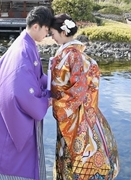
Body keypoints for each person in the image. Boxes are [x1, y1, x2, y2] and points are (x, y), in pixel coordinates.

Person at [0, 5, 54, 180]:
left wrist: (52, 85)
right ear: (36, 26)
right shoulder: (21, 51)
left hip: (3, 119)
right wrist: (43, 102)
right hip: (7, 126)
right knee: (7, 164)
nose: (47, 35)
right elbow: (14, 93)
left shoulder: (26, 43)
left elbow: (36, 77)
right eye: (47, 30)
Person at [48, 14, 119, 180]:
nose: (52, 37)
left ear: (63, 32)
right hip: (70, 112)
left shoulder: (73, 55)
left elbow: (78, 89)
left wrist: (58, 103)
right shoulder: (69, 53)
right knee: (67, 152)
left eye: (53, 33)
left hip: (73, 113)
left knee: (75, 153)